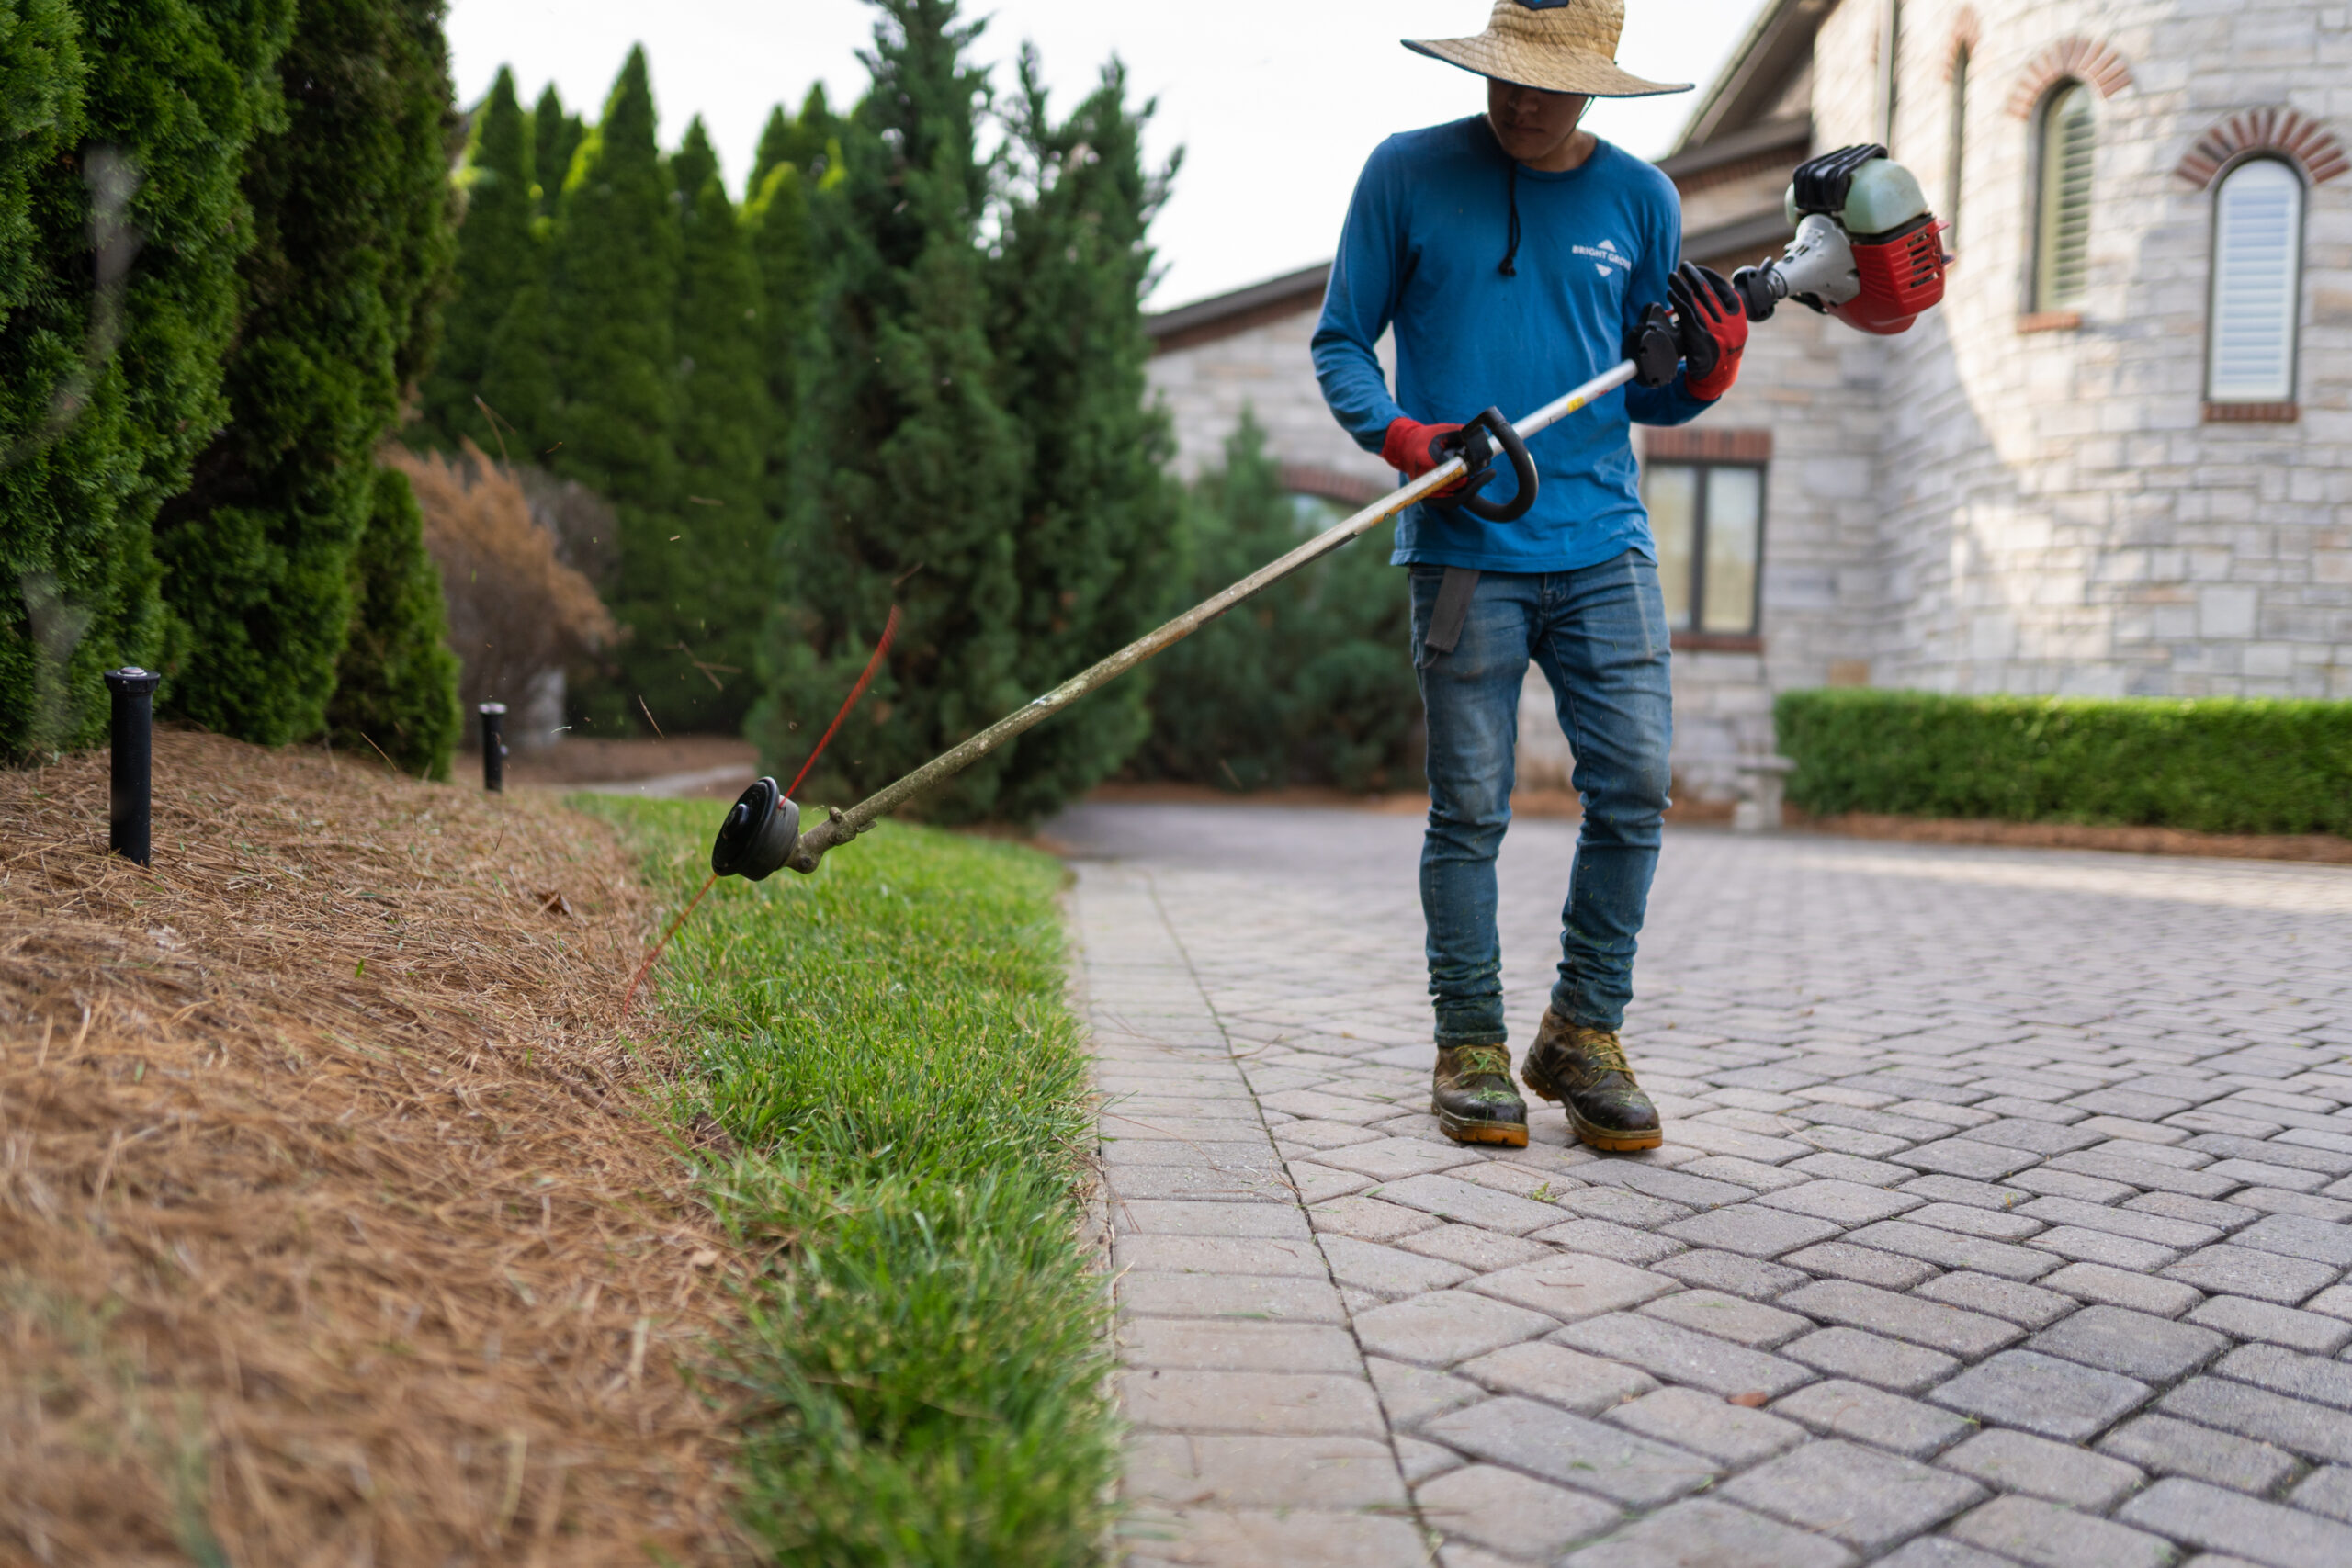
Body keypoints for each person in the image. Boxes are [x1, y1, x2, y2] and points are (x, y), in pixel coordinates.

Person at [1312, 0, 1748, 1152]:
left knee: (1635, 789)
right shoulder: (1404, 174)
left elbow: (1640, 387)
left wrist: (1703, 379)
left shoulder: (1641, 201)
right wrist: (1403, 438)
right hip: (1462, 552)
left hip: (1603, 546)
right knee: (1468, 810)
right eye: (1506, 78)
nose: (1520, 103)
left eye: (1549, 86)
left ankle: (1582, 1032)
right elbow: (1340, 341)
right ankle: (1468, 1043)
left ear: (1597, 85)